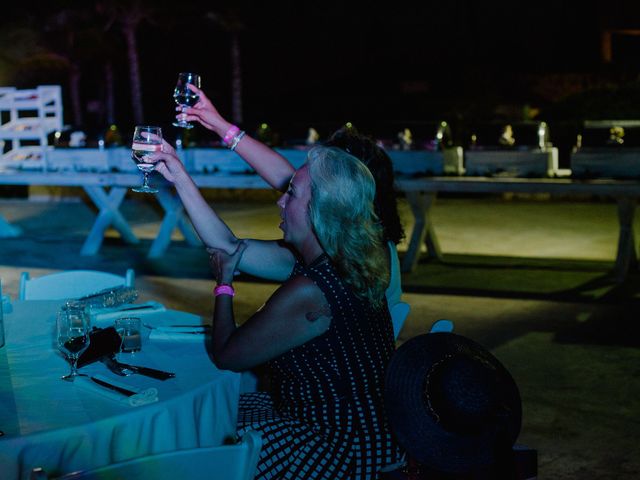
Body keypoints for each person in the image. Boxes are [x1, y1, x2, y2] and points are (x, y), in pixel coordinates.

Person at [147, 145, 403, 479]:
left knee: (195, 436)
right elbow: (227, 247)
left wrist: (224, 284)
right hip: (365, 428)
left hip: (338, 446)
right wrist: (179, 176)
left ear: (319, 210)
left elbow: (228, 355)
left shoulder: (311, 290)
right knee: (206, 412)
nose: (280, 201)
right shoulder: (348, 259)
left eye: (292, 194)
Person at [177, 85, 405, 307]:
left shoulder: (339, 264)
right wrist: (219, 126)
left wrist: (179, 175)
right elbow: (290, 180)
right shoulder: (365, 246)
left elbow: (227, 248)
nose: (282, 199)